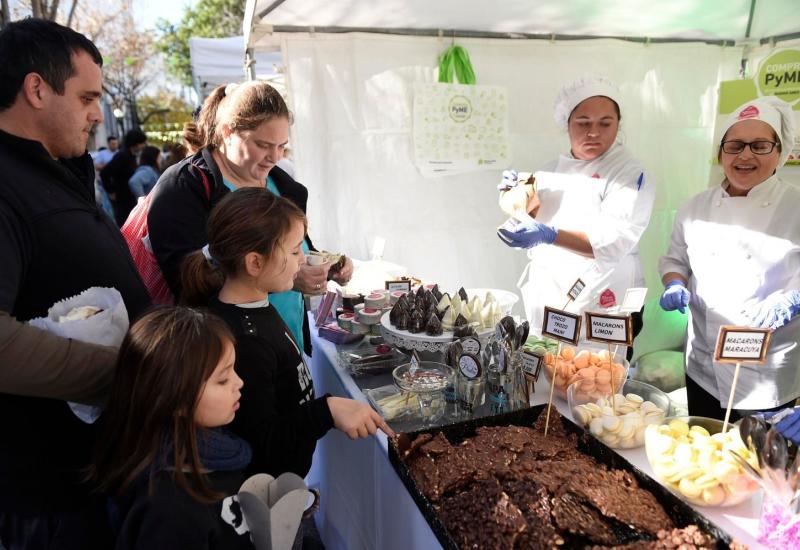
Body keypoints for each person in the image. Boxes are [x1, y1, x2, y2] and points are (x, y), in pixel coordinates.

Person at [0, 18, 150, 549]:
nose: (97, 114)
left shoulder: (55, 172)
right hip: (50, 498)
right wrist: (136, 375)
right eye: (87, 98)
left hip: (98, 473)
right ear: (37, 89)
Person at [181, 188, 393, 480]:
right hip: (266, 490)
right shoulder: (245, 342)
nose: (302, 260)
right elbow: (263, 443)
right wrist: (326, 411)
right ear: (255, 263)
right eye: (294, 251)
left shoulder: (255, 306)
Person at [148, 81, 352, 355]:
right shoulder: (185, 187)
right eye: (263, 145)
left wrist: (326, 265)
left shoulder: (284, 186)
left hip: (287, 341)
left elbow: (291, 247)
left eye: (282, 146)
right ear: (227, 132)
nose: (275, 157)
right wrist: (287, 277)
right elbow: (189, 282)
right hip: (231, 353)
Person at [659, 96, 800, 421]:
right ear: (721, 153)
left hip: (765, 373)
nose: (745, 155)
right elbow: (675, 260)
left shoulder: (795, 206)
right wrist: (674, 283)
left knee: (754, 453)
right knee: (702, 443)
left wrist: (793, 300)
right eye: (734, 146)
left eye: (760, 145)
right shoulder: (694, 207)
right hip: (702, 366)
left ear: (780, 152)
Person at [497, 76, 655, 351]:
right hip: (553, 299)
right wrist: (518, 197)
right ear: (567, 124)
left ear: (618, 124)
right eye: (583, 123)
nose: (594, 132)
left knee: (598, 373)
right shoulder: (550, 170)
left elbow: (613, 241)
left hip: (604, 303)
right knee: (549, 368)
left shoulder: (628, 172)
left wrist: (549, 235)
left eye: (605, 123)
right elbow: (534, 215)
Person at [91, 307, 255, 549]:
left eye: (233, 370)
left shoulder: (212, 445)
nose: (239, 382)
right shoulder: (168, 509)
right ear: (175, 398)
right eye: (222, 379)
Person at [101, 127, 147, 226]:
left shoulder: (132, 156)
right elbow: (104, 173)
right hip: (122, 198)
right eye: (142, 143)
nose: (143, 145)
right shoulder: (122, 156)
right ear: (135, 143)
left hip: (129, 197)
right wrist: (111, 191)